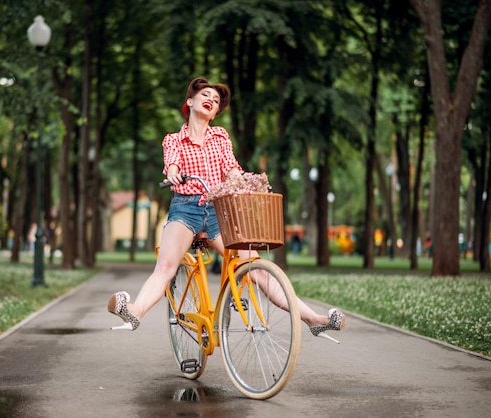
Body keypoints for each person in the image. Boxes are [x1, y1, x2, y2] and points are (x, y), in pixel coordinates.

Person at [107, 77, 345, 342]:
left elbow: (231, 168)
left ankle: (315, 320)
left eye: (217, 100)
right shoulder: (173, 139)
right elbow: (172, 163)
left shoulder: (220, 136)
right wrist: (173, 173)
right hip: (185, 211)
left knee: (256, 268)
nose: (211, 100)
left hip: (219, 214)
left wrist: (245, 181)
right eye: (205, 95)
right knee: (166, 267)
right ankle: (134, 311)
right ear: (190, 102)